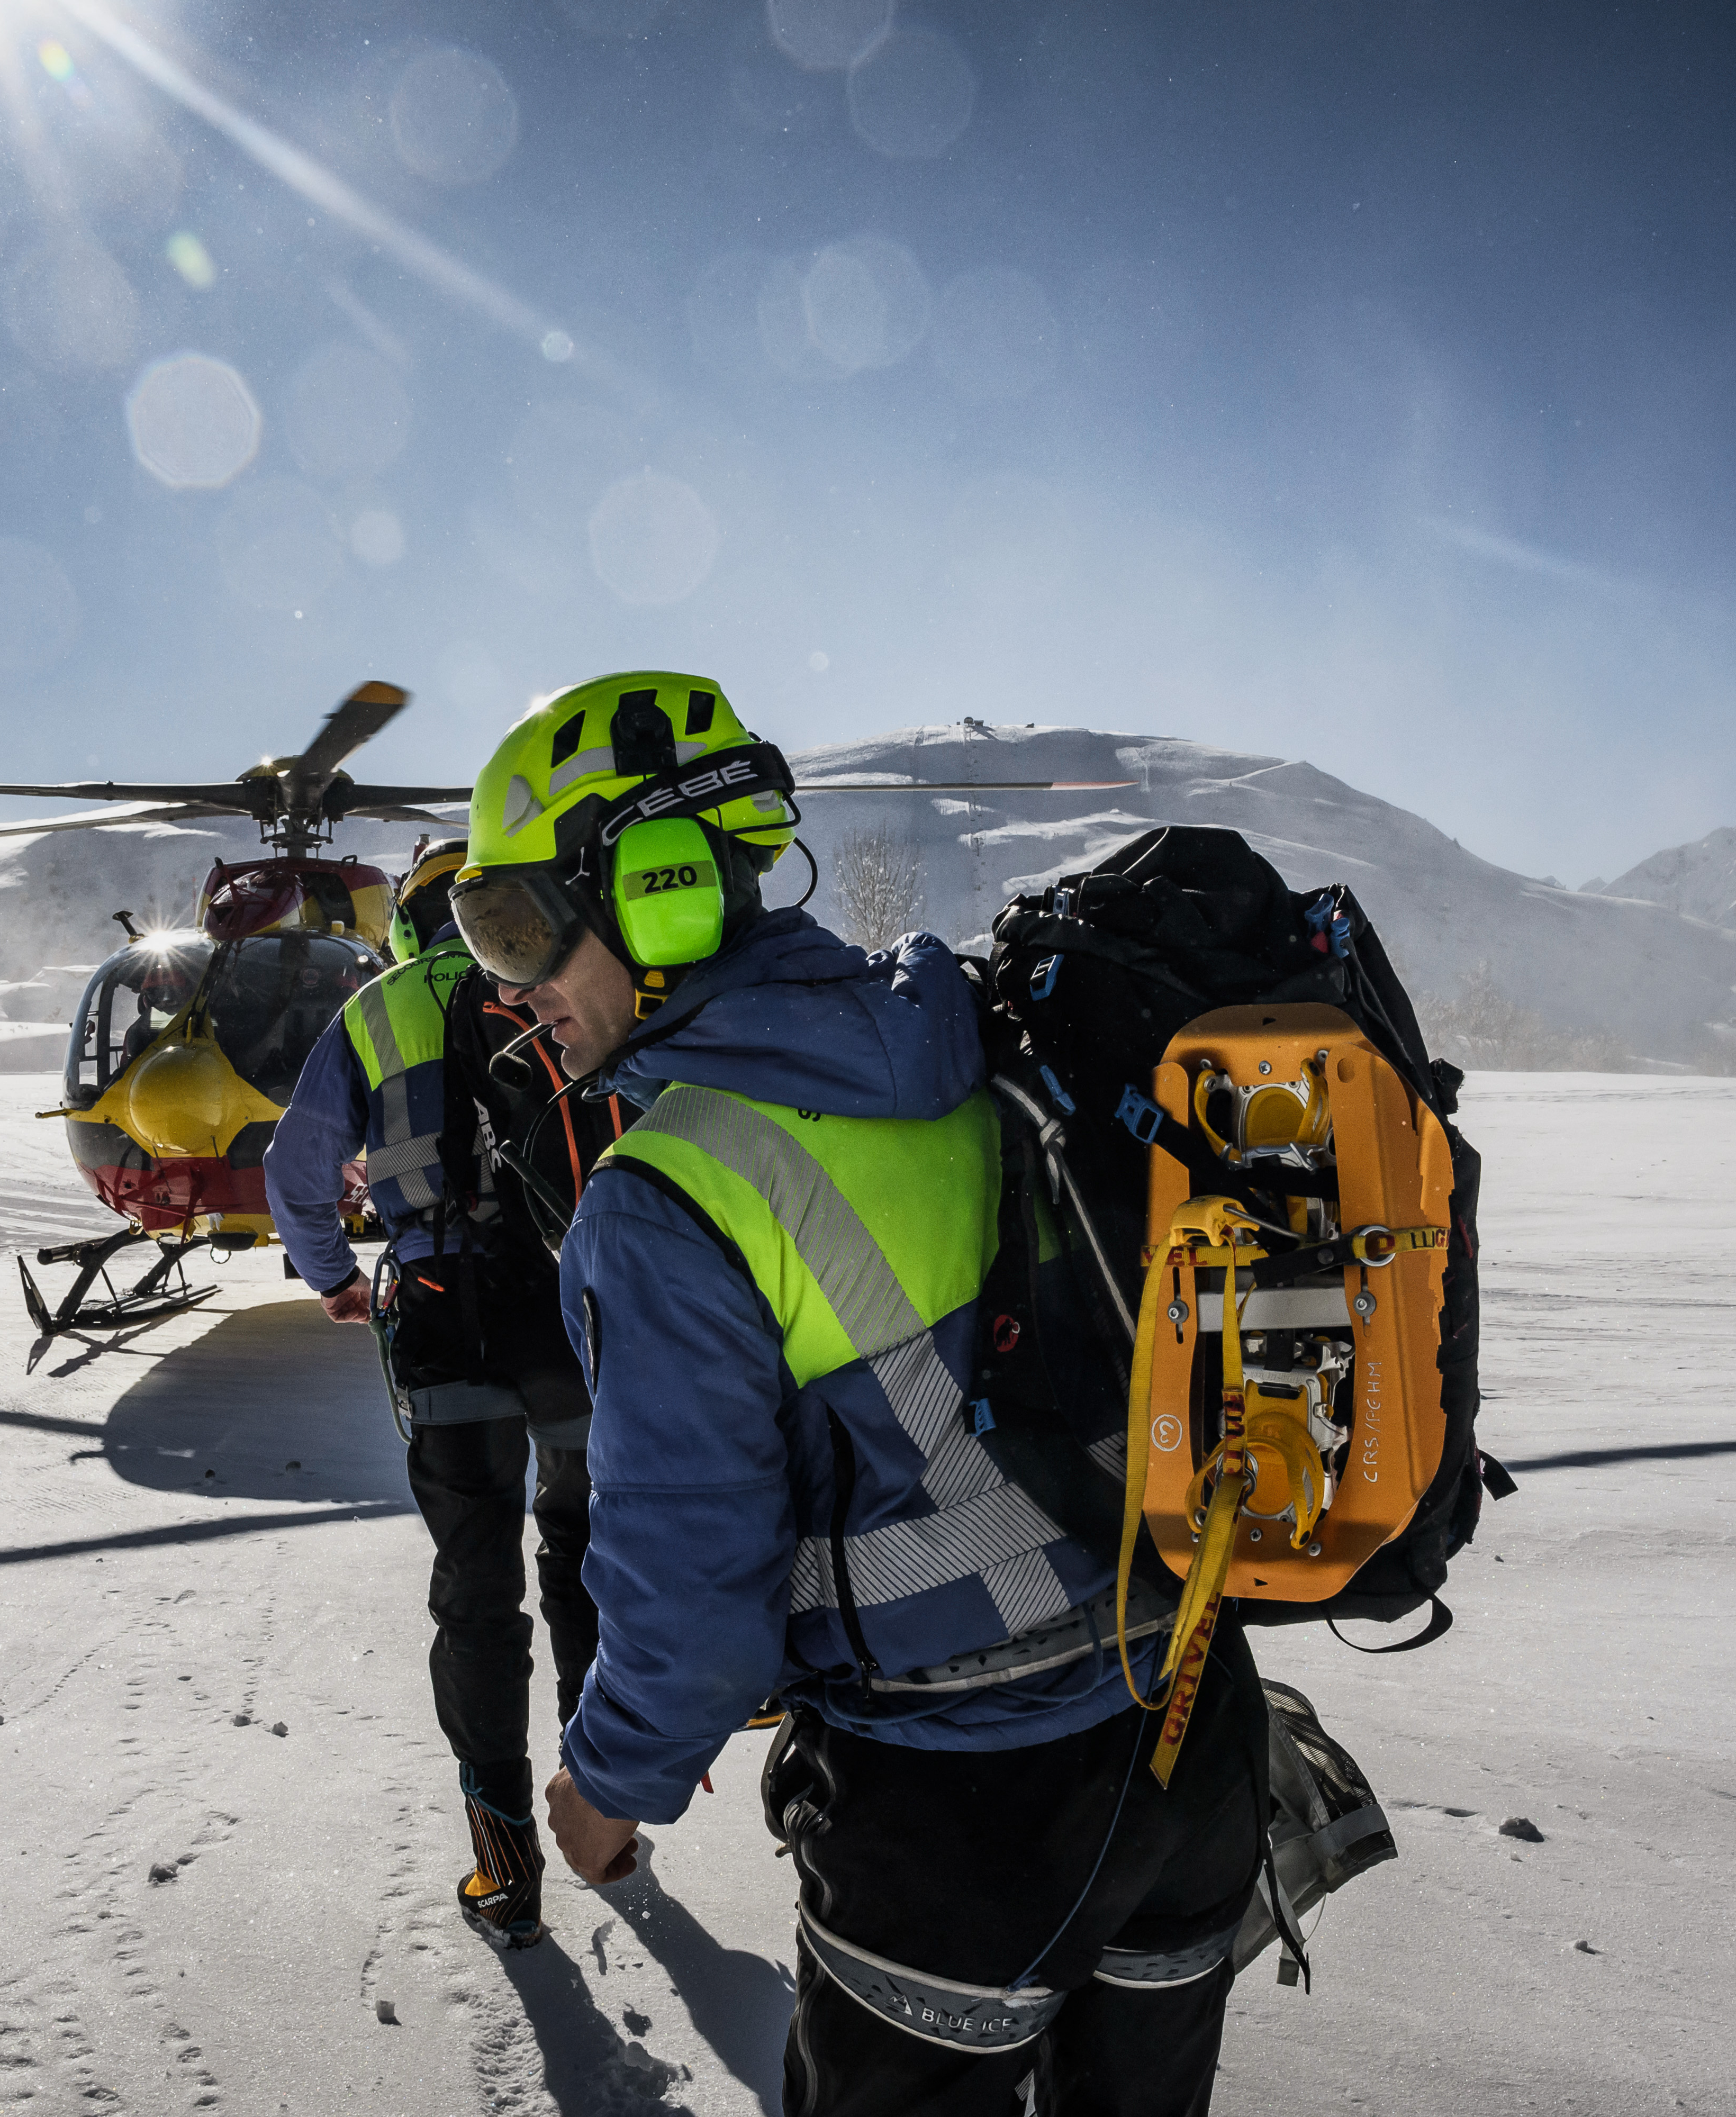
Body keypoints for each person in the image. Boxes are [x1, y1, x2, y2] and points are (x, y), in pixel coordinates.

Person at [447, 673, 1270, 2115]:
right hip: (1198, 1731)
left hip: (972, 1811)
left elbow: (696, 1584)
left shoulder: (669, 1195)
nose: (507, 986)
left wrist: (606, 1784)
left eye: (516, 925)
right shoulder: (955, 1037)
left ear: (655, 896)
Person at [261, 836, 624, 1948]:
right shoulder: (562, 985)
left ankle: (503, 1858)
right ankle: (599, 1808)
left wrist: (330, 1278)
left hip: (440, 1319)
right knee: (578, 1554)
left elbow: (295, 1166)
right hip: (569, 1324)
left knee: (476, 1590)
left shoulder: (375, 1010)